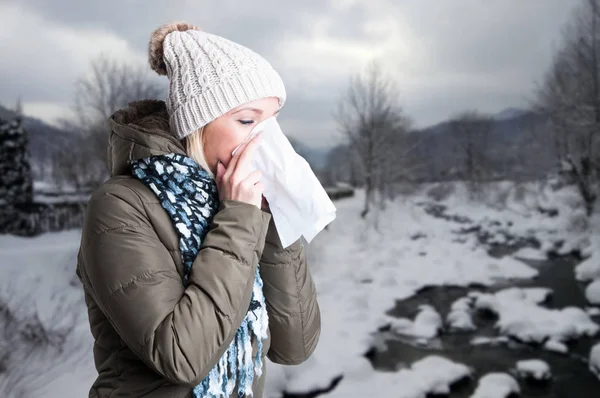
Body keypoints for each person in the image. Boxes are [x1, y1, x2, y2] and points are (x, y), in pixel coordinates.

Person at [75, 21, 321, 398]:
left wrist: (274, 220)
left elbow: (295, 346)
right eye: (247, 121)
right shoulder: (120, 206)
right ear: (198, 124)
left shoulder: (243, 207)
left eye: (271, 125)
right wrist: (238, 218)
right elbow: (183, 357)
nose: (264, 141)